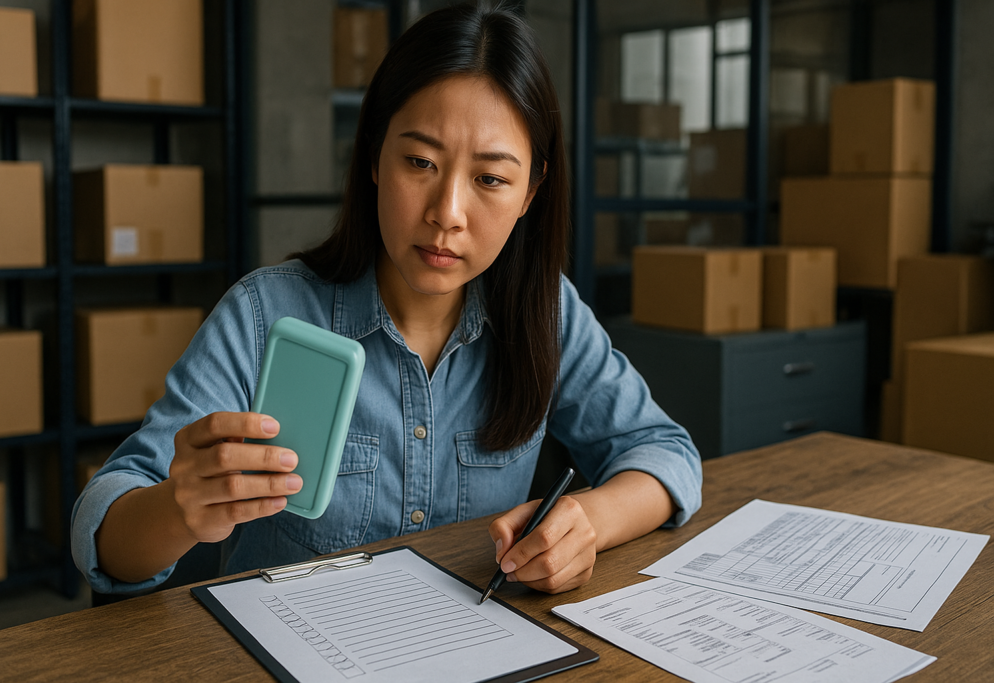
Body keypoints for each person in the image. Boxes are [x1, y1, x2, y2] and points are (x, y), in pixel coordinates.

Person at [71, 2, 702, 596]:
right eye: (421, 162)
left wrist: (588, 518)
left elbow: (666, 454)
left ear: (531, 192)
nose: (447, 213)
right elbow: (104, 532)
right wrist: (178, 510)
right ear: (374, 156)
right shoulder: (267, 315)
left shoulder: (547, 313)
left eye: (490, 179)